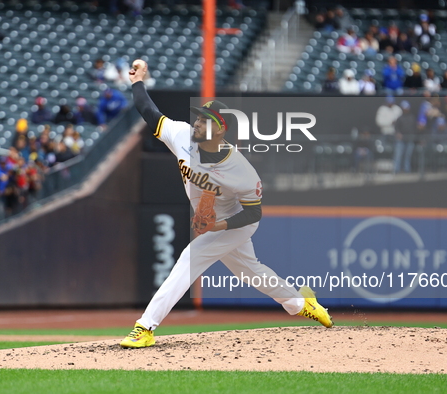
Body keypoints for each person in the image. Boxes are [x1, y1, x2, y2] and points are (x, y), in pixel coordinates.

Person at [118, 59, 333, 348]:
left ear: (219, 130)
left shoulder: (240, 169)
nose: (196, 122)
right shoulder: (182, 135)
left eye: (204, 120)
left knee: (188, 260)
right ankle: (299, 303)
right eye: (197, 117)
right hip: (212, 220)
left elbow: (253, 212)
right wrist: (138, 82)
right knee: (250, 271)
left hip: (236, 221)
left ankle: (145, 327)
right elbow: (149, 112)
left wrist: (219, 224)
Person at [394, 101, 417, 173]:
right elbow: (396, 128)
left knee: (408, 156)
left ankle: (407, 170)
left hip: (410, 139)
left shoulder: (412, 117)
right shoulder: (399, 118)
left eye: (406, 108)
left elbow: (414, 128)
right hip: (401, 139)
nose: (405, 109)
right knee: (398, 155)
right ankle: (396, 170)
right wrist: (398, 133)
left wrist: (413, 135)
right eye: (404, 108)